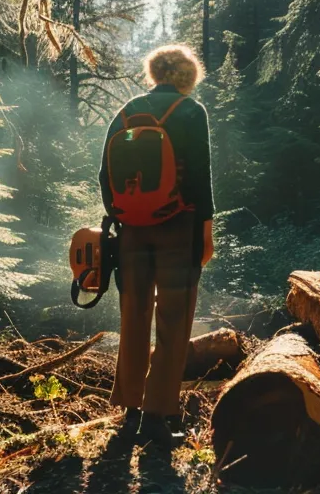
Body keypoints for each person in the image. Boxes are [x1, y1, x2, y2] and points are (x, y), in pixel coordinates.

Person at [97, 44, 215, 446]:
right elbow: (200, 177)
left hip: (131, 230)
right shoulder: (190, 111)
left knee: (133, 313)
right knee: (174, 318)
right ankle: (159, 414)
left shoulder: (127, 110)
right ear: (186, 76)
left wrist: (122, 216)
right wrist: (205, 229)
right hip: (178, 227)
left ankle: (130, 409)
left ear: (154, 72)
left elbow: (103, 174)